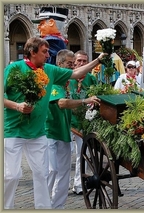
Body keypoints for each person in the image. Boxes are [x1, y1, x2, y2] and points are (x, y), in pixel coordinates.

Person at [3, 36, 106, 209]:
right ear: (32, 52)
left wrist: (98, 59)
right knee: (12, 175)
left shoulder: (49, 70)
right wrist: (17, 106)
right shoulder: (14, 68)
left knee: (42, 174)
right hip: (13, 130)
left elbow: (77, 73)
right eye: (44, 52)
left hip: (38, 133)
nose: (47, 55)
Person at [45, 49, 100, 208]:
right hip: (49, 131)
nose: (72, 68)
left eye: (72, 65)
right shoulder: (55, 81)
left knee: (63, 173)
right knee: (51, 171)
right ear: (59, 64)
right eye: (70, 64)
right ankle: (43, 206)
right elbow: (62, 103)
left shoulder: (69, 82)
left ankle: (58, 207)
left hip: (64, 132)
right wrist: (85, 101)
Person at [68, 50, 98, 195]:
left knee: (82, 154)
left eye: (84, 61)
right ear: (74, 62)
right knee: (65, 155)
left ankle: (79, 185)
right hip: (67, 120)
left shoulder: (91, 79)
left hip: (82, 122)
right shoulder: (68, 78)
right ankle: (59, 183)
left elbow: (97, 96)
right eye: (79, 61)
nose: (81, 63)